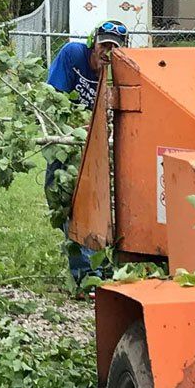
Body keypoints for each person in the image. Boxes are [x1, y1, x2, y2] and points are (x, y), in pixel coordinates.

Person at [45, 19, 129, 283]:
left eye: (114, 48)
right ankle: (89, 266)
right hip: (68, 142)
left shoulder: (120, 71)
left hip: (102, 146)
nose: (107, 52)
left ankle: (90, 272)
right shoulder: (73, 55)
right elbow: (52, 97)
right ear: (94, 42)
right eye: (104, 45)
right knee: (59, 198)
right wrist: (78, 124)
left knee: (92, 205)